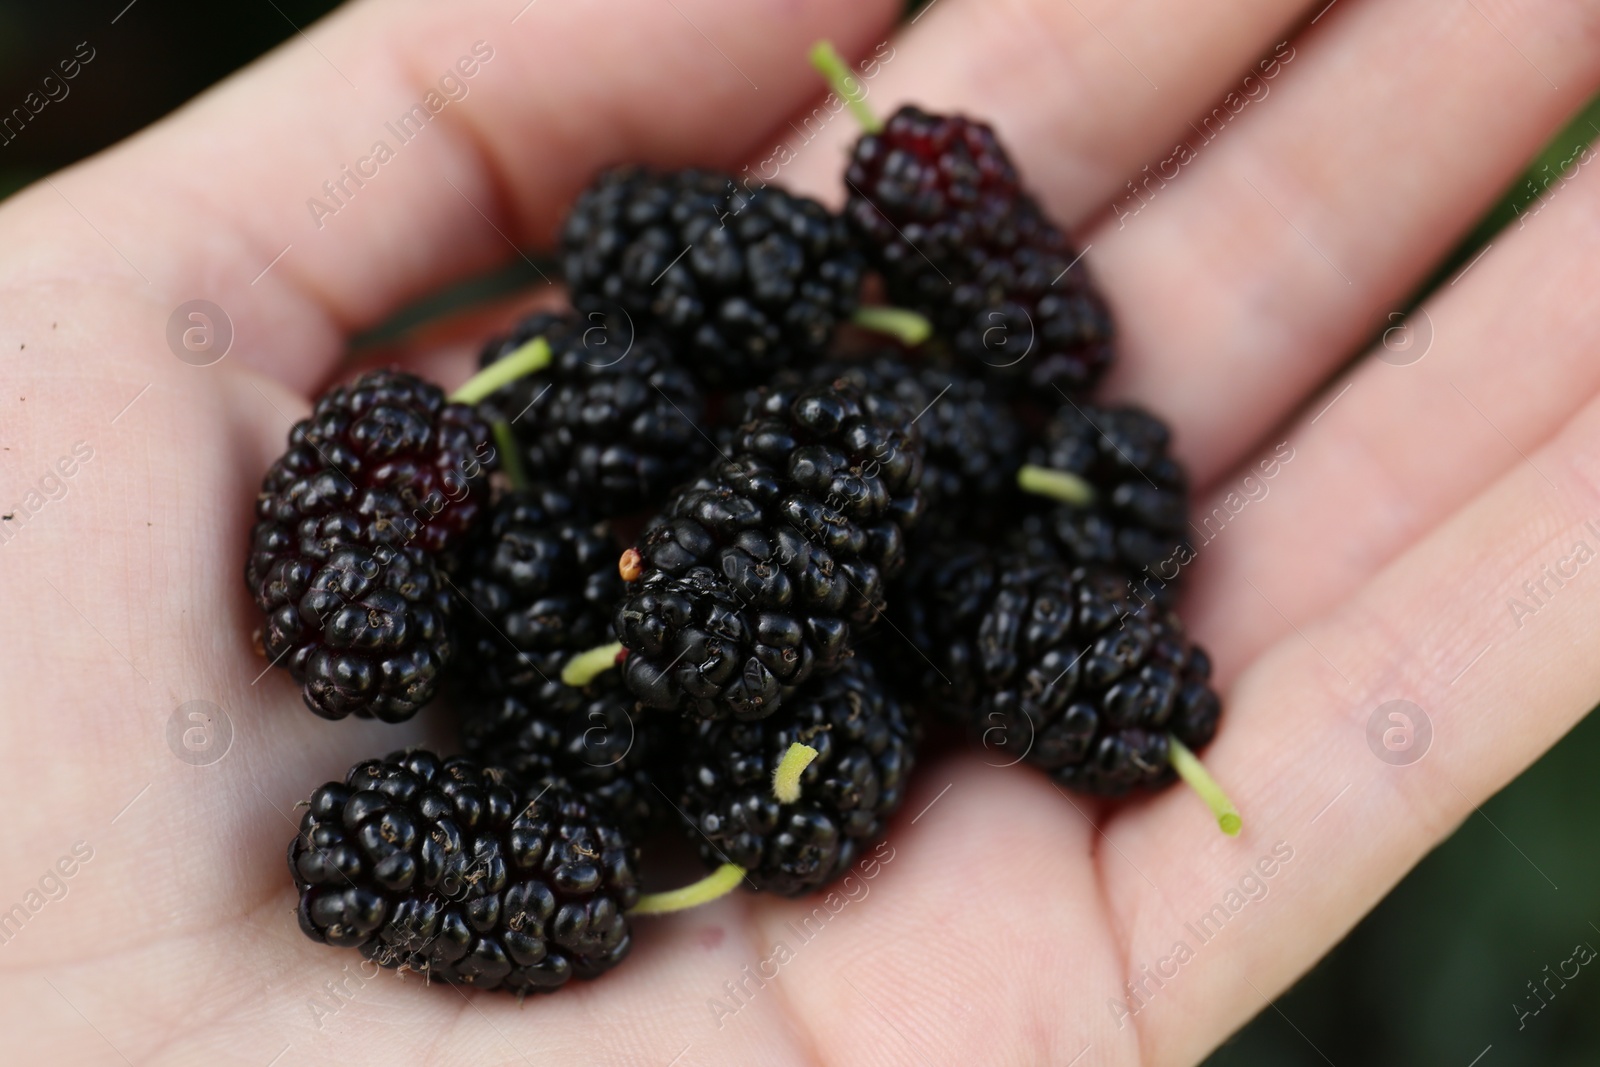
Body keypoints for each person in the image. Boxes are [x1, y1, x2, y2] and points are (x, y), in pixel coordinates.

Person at [1, 0, 1595, 1062]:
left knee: (867, 549)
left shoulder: (833, 493)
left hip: (818, 541)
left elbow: (838, 568)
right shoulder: (598, 557)